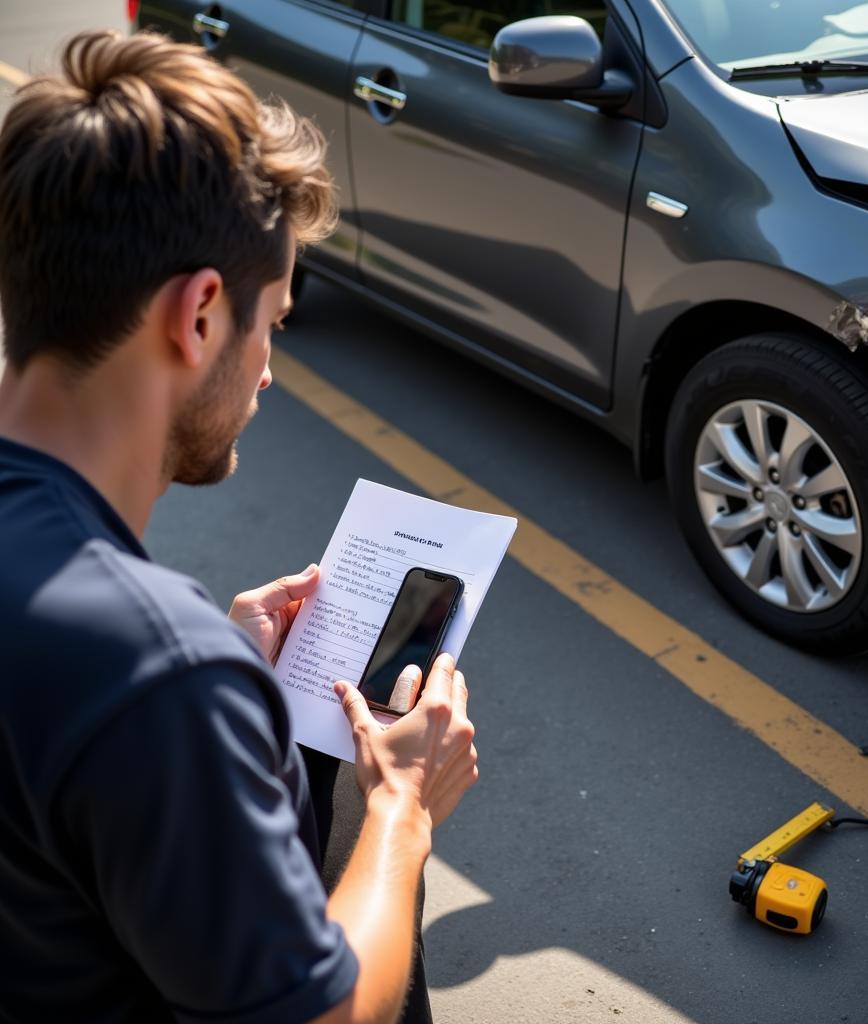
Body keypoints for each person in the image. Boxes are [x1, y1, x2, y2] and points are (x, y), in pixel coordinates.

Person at [0, 28, 478, 1024]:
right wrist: (397, 807)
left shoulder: (137, 660)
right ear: (202, 313)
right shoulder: (154, 674)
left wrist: (205, 675)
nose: (266, 369)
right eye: (275, 322)